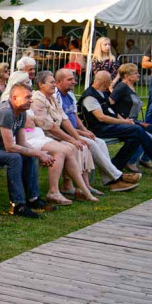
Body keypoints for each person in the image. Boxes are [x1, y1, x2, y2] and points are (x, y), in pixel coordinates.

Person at [0, 82, 52, 218]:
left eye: (31, 97)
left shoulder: (21, 112)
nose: (31, 100)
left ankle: (33, 199)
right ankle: (17, 205)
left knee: (28, 155)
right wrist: (39, 153)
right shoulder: (6, 112)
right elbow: (10, 147)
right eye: (27, 97)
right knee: (14, 157)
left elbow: (21, 142)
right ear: (14, 98)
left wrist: (39, 154)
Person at [53, 68, 139, 192]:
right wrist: (80, 133)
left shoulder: (70, 95)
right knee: (91, 144)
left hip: (76, 131)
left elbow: (75, 116)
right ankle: (117, 177)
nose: (74, 82)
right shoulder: (56, 96)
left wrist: (84, 130)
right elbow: (62, 122)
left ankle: (111, 181)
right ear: (58, 81)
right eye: (70, 80)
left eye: (74, 79)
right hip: (65, 133)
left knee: (101, 142)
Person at [80, 70, 152, 170]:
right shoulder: (90, 96)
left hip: (109, 126)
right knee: (136, 130)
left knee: (135, 137)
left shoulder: (102, 93)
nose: (111, 84)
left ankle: (116, 165)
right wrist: (124, 122)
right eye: (110, 81)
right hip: (98, 129)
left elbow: (113, 111)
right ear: (105, 82)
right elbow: (101, 118)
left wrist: (124, 120)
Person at [26, 71, 98, 204]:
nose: (54, 85)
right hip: (45, 135)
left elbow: (64, 119)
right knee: (71, 147)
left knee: (80, 145)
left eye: (54, 81)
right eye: (51, 82)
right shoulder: (38, 99)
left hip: (52, 135)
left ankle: (82, 187)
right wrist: (73, 139)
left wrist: (77, 137)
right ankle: (59, 190)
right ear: (41, 84)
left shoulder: (52, 97)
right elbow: (50, 127)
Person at [111, 63, 152, 171]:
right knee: (147, 136)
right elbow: (110, 104)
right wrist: (120, 119)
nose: (138, 75)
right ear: (126, 76)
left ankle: (144, 159)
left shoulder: (131, 86)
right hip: (124, 122)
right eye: (135, 73)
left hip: (134, 121)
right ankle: (130, 161)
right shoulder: (121, 87)